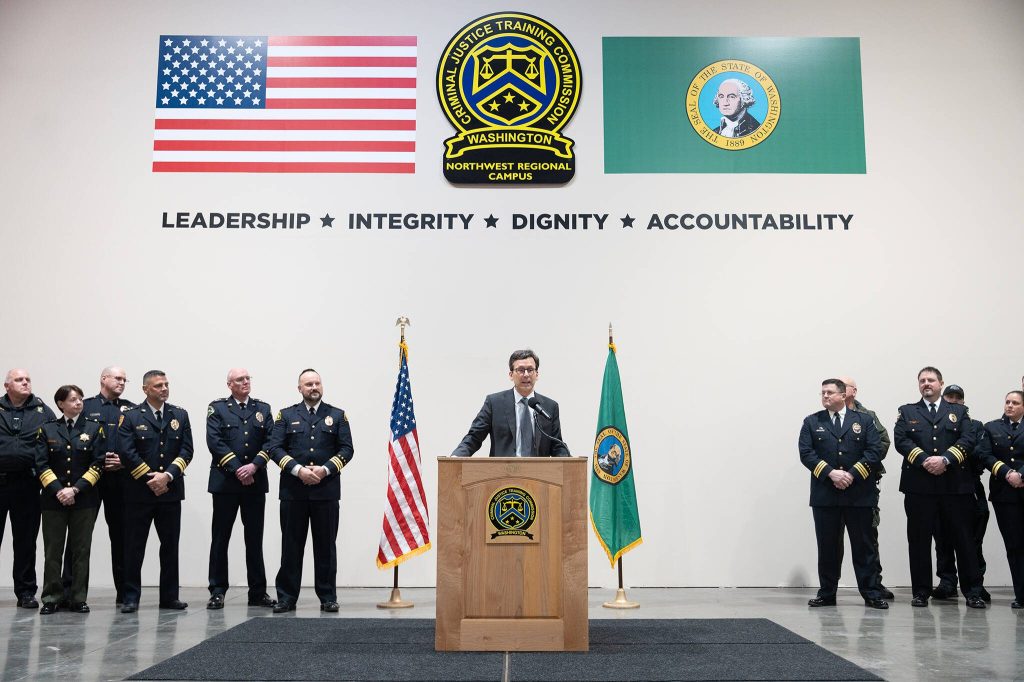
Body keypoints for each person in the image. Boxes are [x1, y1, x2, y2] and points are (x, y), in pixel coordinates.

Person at [894, 366, 984, 608]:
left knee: (964, 539)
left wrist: (945, 460)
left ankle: (972, 591)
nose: (926, 383)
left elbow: (968, 439)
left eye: (931, 380)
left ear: (941, 383)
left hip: (955, 486)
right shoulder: (907, 411)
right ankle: (921, 592)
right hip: (919, 487)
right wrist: (925, 459)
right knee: (919, 540)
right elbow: (901, 440)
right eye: (922, 380)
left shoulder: (959, 411)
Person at [266, 369, 353, 613]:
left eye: (317, 383)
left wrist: (324, 470)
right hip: (294, 492)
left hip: (326, 492)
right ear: (300, 388)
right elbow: (275, 448)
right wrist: (297, 470)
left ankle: (328, 597)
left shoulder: (337, 415)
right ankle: (286, 597)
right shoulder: (285, 415)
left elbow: (347, 449)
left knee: (325, 547)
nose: (313, 387)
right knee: (291, 546)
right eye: (308, 384)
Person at [799, 378, 888, 609]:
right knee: (828, 547)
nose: (825, 396)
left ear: (842, 395)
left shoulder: (864, 420)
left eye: (829, 392)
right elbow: (806, 454)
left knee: (864, 547)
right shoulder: (811, 421)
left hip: (859, 494)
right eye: (822, 393)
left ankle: (871, 593)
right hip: (825, 496)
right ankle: (827, 593)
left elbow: (875, 450)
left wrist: (852, 474)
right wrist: (831, 473)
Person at [117, 370, 193, 613]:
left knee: (170, 546)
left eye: (166, 384)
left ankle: (170, 597)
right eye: (158, 385)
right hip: (139, 492)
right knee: (134, 546)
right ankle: (130, 597)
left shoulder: (179, 415)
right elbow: (126, 451)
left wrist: (167, 475)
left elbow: (187, 450)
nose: (164, 388)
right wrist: (151, 477)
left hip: (169, 491)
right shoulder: (129, 417)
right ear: (145, 389)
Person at [205, 368, 276, 609]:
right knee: (220, 538)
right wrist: (238, 468)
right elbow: (215, 441)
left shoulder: (263, 409)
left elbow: (271, 441)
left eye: (248, 379)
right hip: (226, 483)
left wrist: (254, 467)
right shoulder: (218, 408)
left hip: (254, 483)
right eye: (239, 380)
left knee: (254, 539)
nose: (245, 382)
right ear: (229, 384)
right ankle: (217, 590)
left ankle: (258, 592)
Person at [36, 385, 104, 614]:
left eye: (81, 399)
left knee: (81, 550)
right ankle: (52, 597)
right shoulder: (47, 430)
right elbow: (41, 464)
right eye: (73, 399)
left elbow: (98, 464)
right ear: (60, 404)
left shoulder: (94, 429)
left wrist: (74, 490)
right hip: (53, 501)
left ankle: (78, 597)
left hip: (84, 500)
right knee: (53, 551)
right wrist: (59, 490)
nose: (78, 403)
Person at [0, 369, 56, 608]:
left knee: (25, 541)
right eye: (19, 380)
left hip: (28, 483)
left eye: (27, 380)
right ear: (6, 385)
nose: (25, 383)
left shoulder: (43, 411)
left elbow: (56, 442)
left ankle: (25, 592)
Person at [80, 366, 135, 605]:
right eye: (118, 378)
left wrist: (124, 460)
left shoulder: (131, 409)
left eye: (125, 379)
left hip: (121, 481)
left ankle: (124, 593)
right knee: (80, 538)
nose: (122, 382)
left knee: (122, 537)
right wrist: (99, 460)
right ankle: (72, 593)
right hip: (91, 479)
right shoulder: (86, 406)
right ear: (104, 379)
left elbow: (137, 443)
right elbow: (75, 438)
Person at [836, 376, 893, 600]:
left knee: (868, 537)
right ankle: (829, 588)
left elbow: (882, 443)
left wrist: (858, 468)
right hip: (834, 484)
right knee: (832, 540)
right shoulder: (825, 417)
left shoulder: (868, 417)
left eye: (844, 385)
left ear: (853, 391)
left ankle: (874, 585)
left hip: (863, 485)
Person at [452, 349, 570, 457]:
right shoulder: (494, 403)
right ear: (511, 375)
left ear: (537, 374)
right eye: (520, 370)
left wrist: (569, 463)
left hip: (538, 475)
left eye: (530, 370)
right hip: (503, 475)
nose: (526, 374)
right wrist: (456, 457)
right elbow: (474, 437)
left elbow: (557, 445)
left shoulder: (549, 406)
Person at [932, 384, 990, 602]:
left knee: (972, 540)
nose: (954, 400)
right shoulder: (934, 424)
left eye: (958, 397)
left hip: (969, 486)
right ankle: (947, 582)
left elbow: (978, 452)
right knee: (942, 538)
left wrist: (950, 456)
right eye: (950, 396)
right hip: (939, 486)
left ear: (964, 401)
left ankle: (977, 583)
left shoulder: (975, 425)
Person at [973, 391, 1024, 608]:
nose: (1010, 406)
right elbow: (984, 454)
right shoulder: (992, 427)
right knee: (1014, 545)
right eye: (1007, 402)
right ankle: (1022, 595)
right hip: (1006, 495)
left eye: (1015, 403)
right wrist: (1006, 473)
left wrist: (1021, 475)